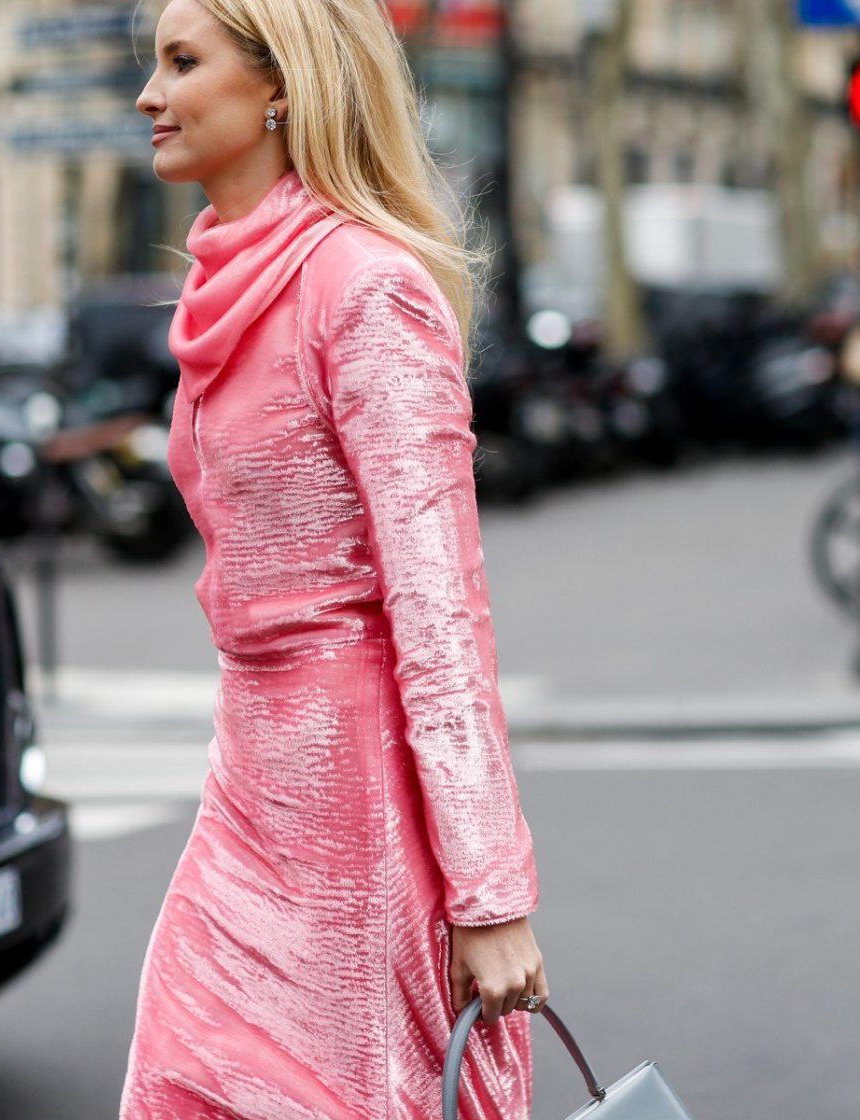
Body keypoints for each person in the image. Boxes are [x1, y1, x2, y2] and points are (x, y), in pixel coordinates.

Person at [119, 2, 546, 1118]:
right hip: (247, 783)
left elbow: (442, 611)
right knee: (179, 1079)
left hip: (360, 811)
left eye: (180, 62)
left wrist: (488, 893)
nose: (148, 96)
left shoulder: (364, 288)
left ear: (280, 87)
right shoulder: (220, 286)